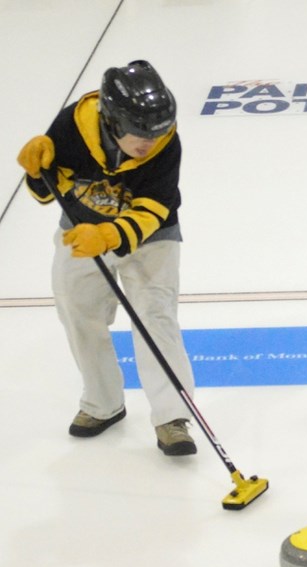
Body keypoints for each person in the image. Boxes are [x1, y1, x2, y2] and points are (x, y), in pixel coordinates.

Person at [17, 60, 197, 456]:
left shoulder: (167, 146)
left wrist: (109, 235)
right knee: (76, 311)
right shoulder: (71, 126)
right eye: (140, 133)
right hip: (81, 231)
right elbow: (47, 191)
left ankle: (171, 417)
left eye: (158, 131)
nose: (149, 141)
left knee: (156, 315)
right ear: (113, 121)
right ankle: (103, 403)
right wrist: (35, 170)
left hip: (151, 237)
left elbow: (154, 209)